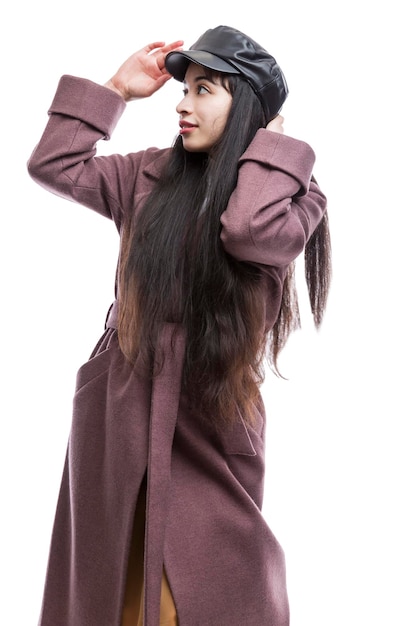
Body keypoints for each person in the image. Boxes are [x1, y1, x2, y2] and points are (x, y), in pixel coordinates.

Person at [27, 24, 331, 626]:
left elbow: (246, 232)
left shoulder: (290, 196)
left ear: (245, 105)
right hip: (119, 400)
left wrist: (270, 148)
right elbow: (54, 164)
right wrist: (116, 88)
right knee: (111, 589)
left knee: (206, 587)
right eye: (184, 88)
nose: (182, 104)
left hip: (209, 414)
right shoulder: (145, 175)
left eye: (205, 90)